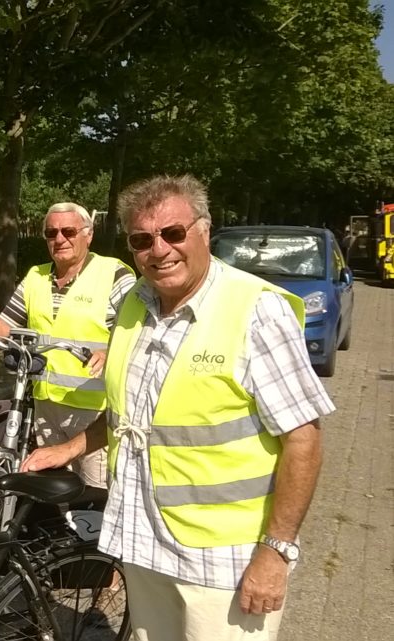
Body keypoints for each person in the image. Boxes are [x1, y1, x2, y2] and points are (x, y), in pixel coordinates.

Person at [23, 175, 332, 641]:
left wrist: (276, 553)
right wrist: (71, 446)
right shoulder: (134, 304)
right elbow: (132, 414)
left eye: (173, 233)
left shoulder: (255, 311)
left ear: (204, 231)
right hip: (143, 544)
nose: (159, 249)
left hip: (223, 561)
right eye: (142, 239)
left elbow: (303, 438)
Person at [0, 203, 135, 489]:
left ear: (88, 235)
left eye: (68, 231)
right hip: (46, 408)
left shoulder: (114, 274)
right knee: (51, 492)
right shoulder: (36, 276)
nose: (59, 239)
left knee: (95, 495)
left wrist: (111, 351)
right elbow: (4, 325)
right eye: (51, 233)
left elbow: (135, 331)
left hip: (93, 412)